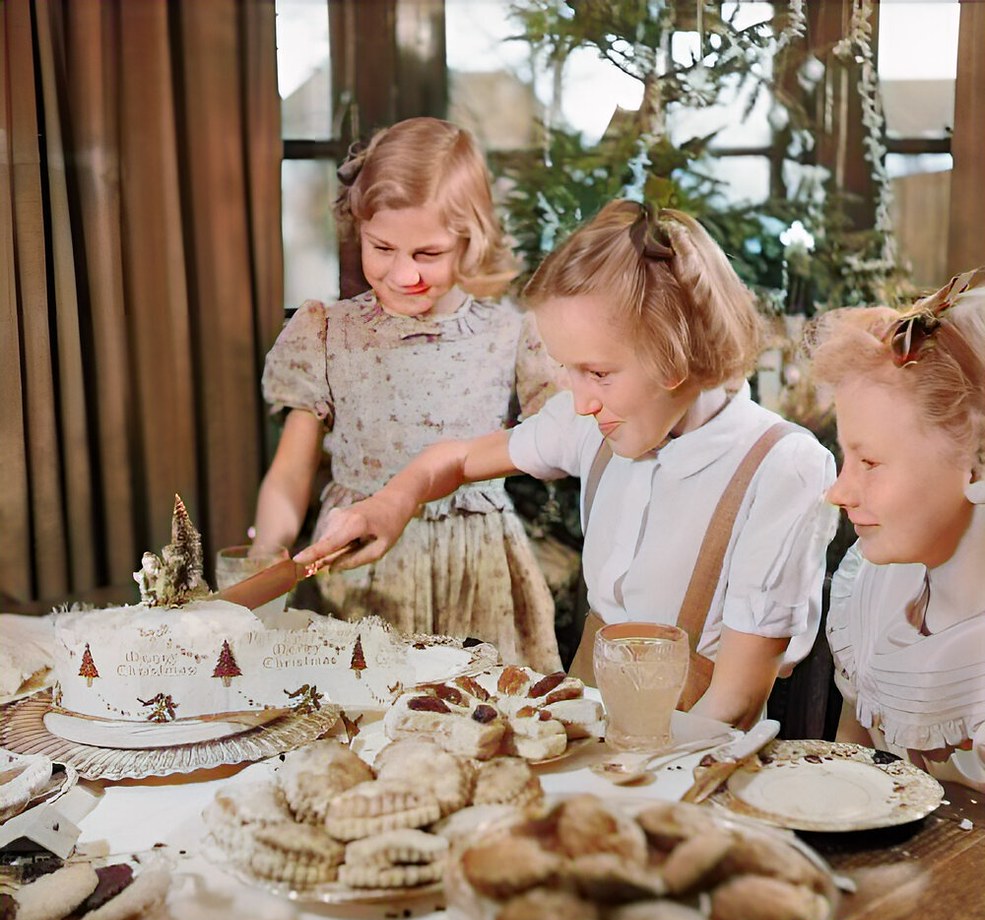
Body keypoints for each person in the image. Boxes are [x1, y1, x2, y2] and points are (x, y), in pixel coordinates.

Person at [297, 200, 838, 729]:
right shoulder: (592, 421)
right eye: (568, 370)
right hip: (587, 726)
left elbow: (736, 701)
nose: (580, 402)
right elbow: (459, 458)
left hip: (695, 757)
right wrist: (394, 502)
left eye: (599, 374)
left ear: (681, 352)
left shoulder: (781, 467)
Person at [252, 117, 561, 672]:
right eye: (383, 247)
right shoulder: (326, 331)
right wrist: (265, 558)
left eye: (428, 254)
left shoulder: (512, 332)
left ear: (471, 240)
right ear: (359, 228)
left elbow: (560, 444)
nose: (403, 274)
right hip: (359, 565)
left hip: (478, 566)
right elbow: (291, 473)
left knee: (484, 719)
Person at [815, 268, 985, 790]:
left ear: (977, 465)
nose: (838, 492)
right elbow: (852, 773)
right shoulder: (874, 588)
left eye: (869, 461)